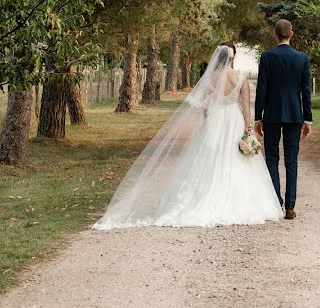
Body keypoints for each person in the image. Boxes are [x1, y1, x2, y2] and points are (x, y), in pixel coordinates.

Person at [93, 42, 283, 229]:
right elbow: (245, 105)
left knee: (210, 156)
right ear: (232, 57)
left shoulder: (211, 77)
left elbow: (205, 104)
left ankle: (204, 196)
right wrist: (248, 127)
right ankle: (237, 199)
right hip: (234, 119)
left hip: (215, 119)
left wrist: (209, 119)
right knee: (235, 157)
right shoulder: (240, 77)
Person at [254, 19, 312, 220]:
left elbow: (262, 88)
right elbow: (306, 90)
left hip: (271, 114)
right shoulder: (302, 58)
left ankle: (275, 202)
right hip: (295, 115)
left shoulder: (267, 57)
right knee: (291, 161)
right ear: (291, 34)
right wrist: (308, 119)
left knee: (271, 158)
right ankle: (290, 207)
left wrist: (257, 117)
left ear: (274, 34)